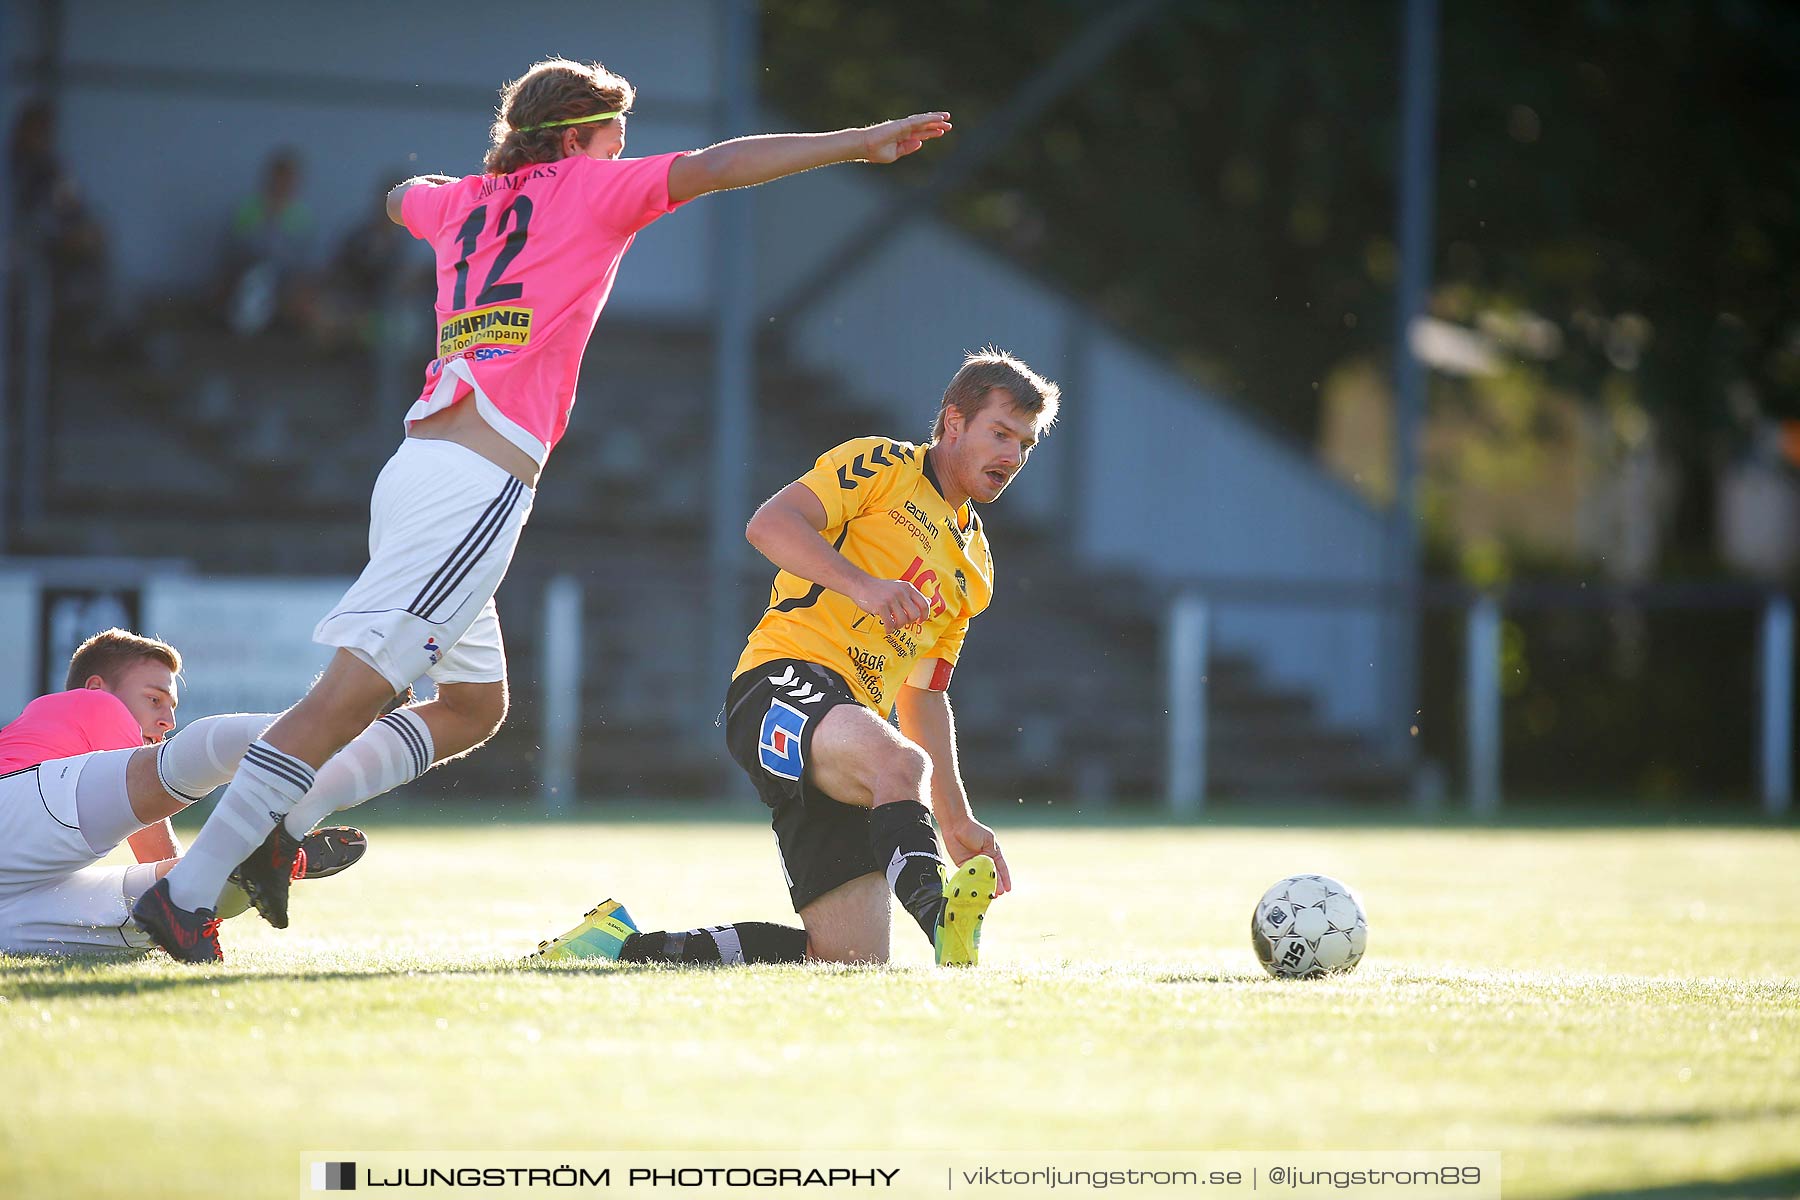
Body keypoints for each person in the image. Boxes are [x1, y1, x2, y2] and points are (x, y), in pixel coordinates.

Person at [138, 56, 955, 963]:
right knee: (346, 698)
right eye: (613, 135)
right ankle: (188, 892)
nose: (622, 153)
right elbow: (725, 163)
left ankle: (287, 822)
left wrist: (476, 182)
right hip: (475, 487)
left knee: (473, 707)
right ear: (575, 138)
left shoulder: (461, 204)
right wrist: (857, 142)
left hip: (419, 464)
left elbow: (400, 195)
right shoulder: (591, 190)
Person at [531, 349, 1059, 968]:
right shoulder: (883, 464)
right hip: (780, 681)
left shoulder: (976, 569)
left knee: (846, 958)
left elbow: (923, 693)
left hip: (846, 735)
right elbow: (769, 525)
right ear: (953, 421)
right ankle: (941, 918)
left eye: (1024, 445)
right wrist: (866, 585)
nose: (1011, 457)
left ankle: (617, 947)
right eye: (1000, 433)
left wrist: (957, 818)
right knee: (896, 759)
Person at [0, 629, 365, 956]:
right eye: (154, 699)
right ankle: (341, 715)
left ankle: (267, 859)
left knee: (154, 918)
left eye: (171, 706)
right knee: (175, 775)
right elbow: (153, 843)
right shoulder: (95, 703)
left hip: (13, 898)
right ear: (96, 687)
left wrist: (217, 866)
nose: (168, 721)